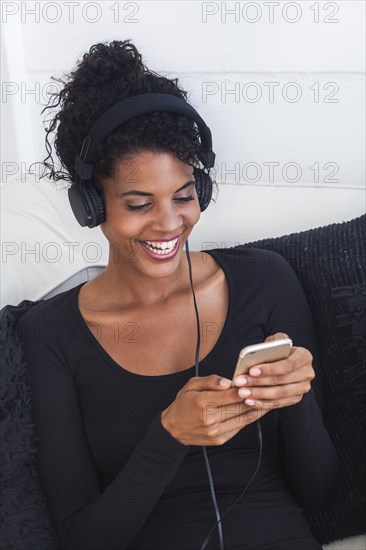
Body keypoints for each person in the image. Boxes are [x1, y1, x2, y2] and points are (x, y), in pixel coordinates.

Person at [16, 40, 339, 550]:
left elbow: (320, 493)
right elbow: (81, 539)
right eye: (139, 203)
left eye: (185, 196)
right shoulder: (49, 333)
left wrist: (297, 400)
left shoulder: (266, 282)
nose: (169, 223)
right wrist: (168, 437)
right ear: (91, 204)